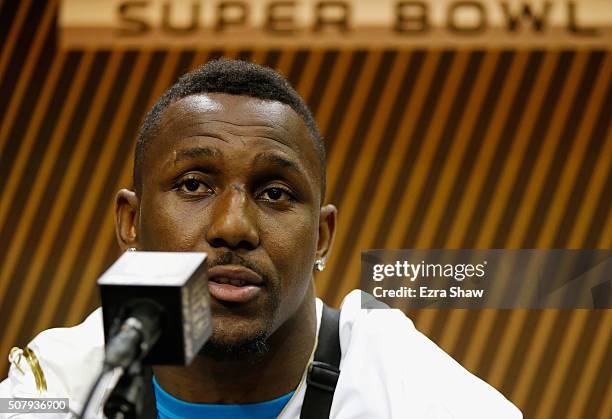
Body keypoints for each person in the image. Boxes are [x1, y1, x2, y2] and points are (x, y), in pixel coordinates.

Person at [0, 59, 521, 418]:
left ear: (321, 238)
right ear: (130, 221)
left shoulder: (420, 397)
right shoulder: (56, 386)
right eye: (194, 185)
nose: (233, 227)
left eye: (274, 193)